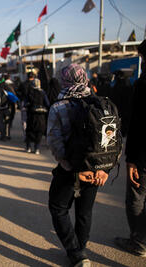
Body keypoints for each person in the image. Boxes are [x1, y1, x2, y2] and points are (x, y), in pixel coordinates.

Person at [47, 64, 110, 267]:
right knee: (84, 212)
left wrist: (70, 167)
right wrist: (103, 168)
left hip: (70, 168)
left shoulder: (59, 106)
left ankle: (77, 253)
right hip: (95, 168)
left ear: (65, 81)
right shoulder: (100, 103)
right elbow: (109, 141)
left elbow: (55, 143)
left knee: (58, 207)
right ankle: (80, 249)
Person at [114, 40, 146, 257]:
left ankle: (139, 241)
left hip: (143, 156)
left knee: (136, 196)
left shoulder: (143, 85)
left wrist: (132, 159)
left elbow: (139, 124)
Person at [25, 78, 50, 154]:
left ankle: (28, 147)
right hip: (40, 115)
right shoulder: (42, 92)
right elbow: (47, 103)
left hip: (31, 114)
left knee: (29, 130)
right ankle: (37, 148)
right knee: (39, 131)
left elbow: (25, 103)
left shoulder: (30, 92)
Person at [17, 72, 35, 139]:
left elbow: (18, 92)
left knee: (24, 121)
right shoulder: (35, 84)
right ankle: (33, 135)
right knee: (33, 119)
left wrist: (22, 97)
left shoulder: (23, 84)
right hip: (34, 104)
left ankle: (26, 136)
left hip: (24, 103)